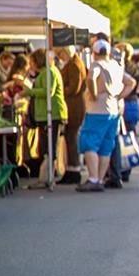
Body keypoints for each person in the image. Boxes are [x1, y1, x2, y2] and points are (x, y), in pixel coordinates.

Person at [76, 40, 135, 192]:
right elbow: (131, 82)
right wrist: (120, 96)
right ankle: (100, 179)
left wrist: (93, 93)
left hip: (97, 110)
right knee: (106, 147)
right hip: (113, 110)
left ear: (94, 53)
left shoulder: (97, 65)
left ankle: (93, 178)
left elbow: (91, 78)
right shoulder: (116, 65)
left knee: (90, 143)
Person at [19, 49, 68, 187]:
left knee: (49, 147)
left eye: (32, 62)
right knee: (46, 147)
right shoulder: (45, 72)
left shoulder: (49, 72)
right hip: (45, 114)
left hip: (52, 114)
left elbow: (48, 91)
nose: (30, 65)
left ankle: (46, 178)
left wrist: (29, 92)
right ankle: (46, 177)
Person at [56, 46, 87, 185]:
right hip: (73, 104)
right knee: (70, 137)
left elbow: (74, 87)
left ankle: (74, 170)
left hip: (74, 106)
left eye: (60, 53)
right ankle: (71, 168)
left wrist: (60, 90)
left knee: (71, 137)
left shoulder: (74, 64)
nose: (59, 56)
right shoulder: (74, 63)